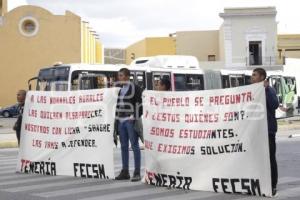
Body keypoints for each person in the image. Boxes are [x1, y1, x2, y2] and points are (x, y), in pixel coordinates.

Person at [251, 68, 279, 196]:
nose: (252, 77)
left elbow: (274, 105)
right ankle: (261, 184)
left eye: (254, 75)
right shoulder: (251, 91)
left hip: (268, 132)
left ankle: (272, 185)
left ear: (262, 77)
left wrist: (266, 89)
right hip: (255, 131)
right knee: (257, 159)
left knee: (270, 159)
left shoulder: (270, 90)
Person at [115, 68, 143, 182]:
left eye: (121, 75)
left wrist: (134, 116)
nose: (119, 78)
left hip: (130, 120)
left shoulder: (135, 88)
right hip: (121, 121)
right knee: (123, 146)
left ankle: (137, 172)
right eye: (119, 76)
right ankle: (125, 171)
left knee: (135, 146)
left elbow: (140, 105)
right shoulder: (121, 90)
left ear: (127, 76)